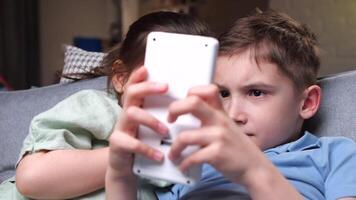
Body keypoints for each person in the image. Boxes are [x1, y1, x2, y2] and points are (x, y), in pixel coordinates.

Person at [106, 10, 356, 200]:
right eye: (223, 93)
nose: (233, 115)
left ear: (308, 102)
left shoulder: (334, 154)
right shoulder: (193, 159)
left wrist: (253, 170)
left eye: (256, 93)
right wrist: (119, 174)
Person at [0, 11, 213, 200]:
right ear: (121, 78)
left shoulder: (194, 142)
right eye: (165, 78)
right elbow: (31, 178)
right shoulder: (98, 107)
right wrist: (130, 155)